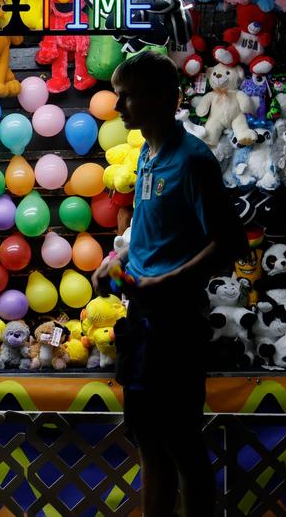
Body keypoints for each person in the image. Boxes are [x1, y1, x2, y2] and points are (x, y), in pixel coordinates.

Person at [91, 51, 246, 517]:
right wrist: (117, 258)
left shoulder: (194, 160)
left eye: (127, 97)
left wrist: (169, 280)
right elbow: (149, 226)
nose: (119, 108)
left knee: (181, 445)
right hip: (142, 322)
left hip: (176, 327)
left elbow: (230, 242)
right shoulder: (147, 155)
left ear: (163, 97)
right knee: (148, 441)